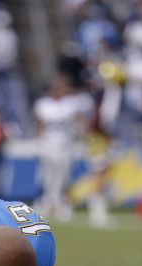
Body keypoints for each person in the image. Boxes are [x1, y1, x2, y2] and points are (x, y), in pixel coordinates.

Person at [34, 76, 91, 222]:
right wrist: (40, 142)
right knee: (48, 174)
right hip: (48, 143)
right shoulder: (43, 104)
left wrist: (82, 133)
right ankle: (47, 202)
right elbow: (40, 125)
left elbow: (80, 121)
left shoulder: (70, 104)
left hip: (65, 144)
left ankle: (59, 203)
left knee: (63, 174)